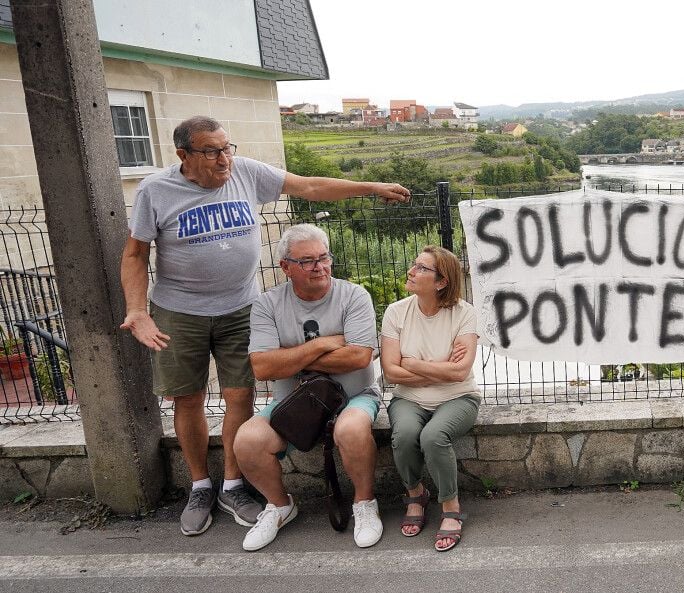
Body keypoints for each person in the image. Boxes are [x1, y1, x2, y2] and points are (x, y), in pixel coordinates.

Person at [120, 116, 410, 536]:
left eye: (227, 148)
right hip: (178, 309)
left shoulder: (245, 172)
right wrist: (138, 309)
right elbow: (135, 254)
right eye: (212, 152)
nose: (224, 159)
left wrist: (371, 187)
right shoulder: (155, 191)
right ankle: (201, 485)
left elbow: (308, 186)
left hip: (240, 303)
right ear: (184, 155)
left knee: (239, 395)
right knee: (188, 399)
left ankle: (234, 486)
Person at [232, 224, 383, 551]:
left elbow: (359, 357)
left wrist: (289, 357)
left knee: (352, 430)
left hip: (353, 396)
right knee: (247, 439)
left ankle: (364, 503)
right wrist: (322, 346)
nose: (320, 266)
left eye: (324, 257)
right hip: (292, 403)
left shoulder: (354, 295)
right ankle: (280, 505)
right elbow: (262, 367)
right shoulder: (267, 305)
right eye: (307, 261)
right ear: (286, 267)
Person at [381, 246, 480, 552]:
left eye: (422, 269)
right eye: (415, 265)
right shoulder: (396, 312)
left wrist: (413, 364)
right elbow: (390, 371)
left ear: (441, 282)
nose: (412, 271)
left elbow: (461, 373)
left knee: (434, 436)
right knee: (406, 434)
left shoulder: (465, 313)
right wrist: (440, 369)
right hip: (408, 398)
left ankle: (450, 505)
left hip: (458, 398)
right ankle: (416, 494)